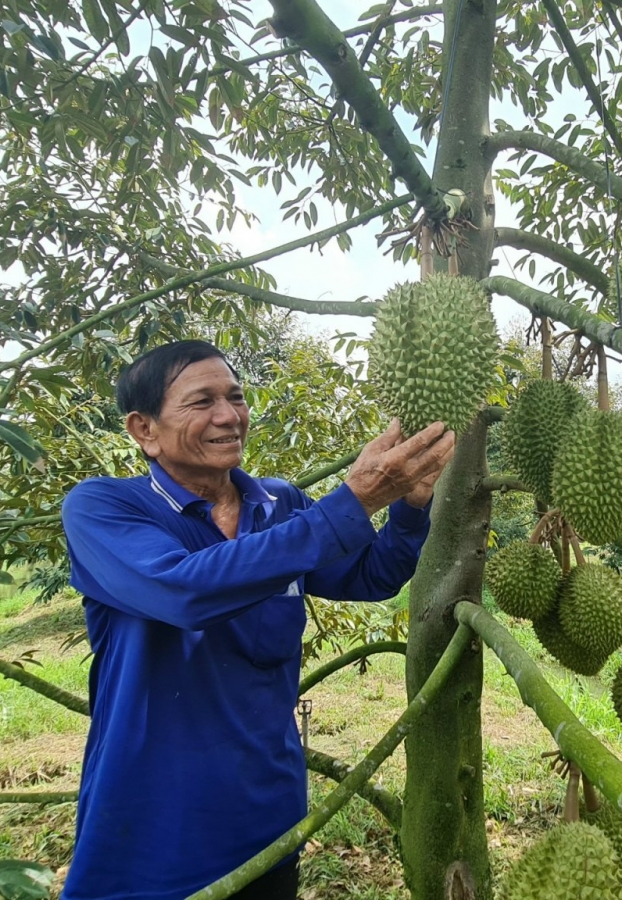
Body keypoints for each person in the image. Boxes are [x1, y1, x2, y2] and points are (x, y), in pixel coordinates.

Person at [58, 340, 456, 900]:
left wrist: (409, 506)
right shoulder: (103, 508)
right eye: (201, 402)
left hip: (267, 814)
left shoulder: (280, 506)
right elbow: (185, 591)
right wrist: (352, 500)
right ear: (144, 429)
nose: (228, 415)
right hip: (153, 828)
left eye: (236, 397)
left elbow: (371, 577)